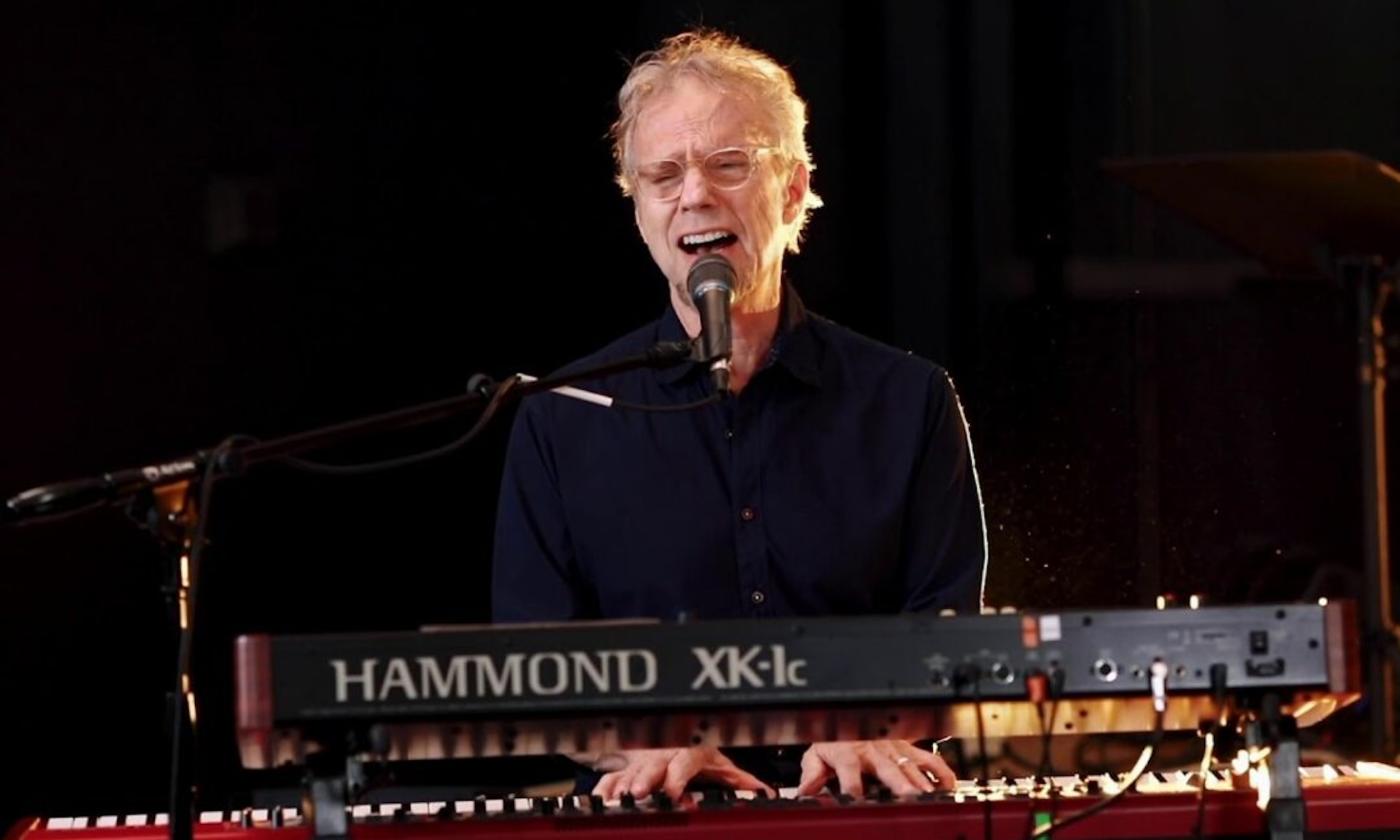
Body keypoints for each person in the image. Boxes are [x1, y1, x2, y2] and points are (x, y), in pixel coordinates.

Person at [492, 29, 987, 801]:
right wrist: (644, 751)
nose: (695, 195)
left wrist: (873, 723)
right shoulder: (562, 415)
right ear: (641, 211)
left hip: (860, 816)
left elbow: (950, 639)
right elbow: (533, 670)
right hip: (661, 818)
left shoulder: (909, 400)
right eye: (664, 175)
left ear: (792, 191)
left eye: (729, 165)